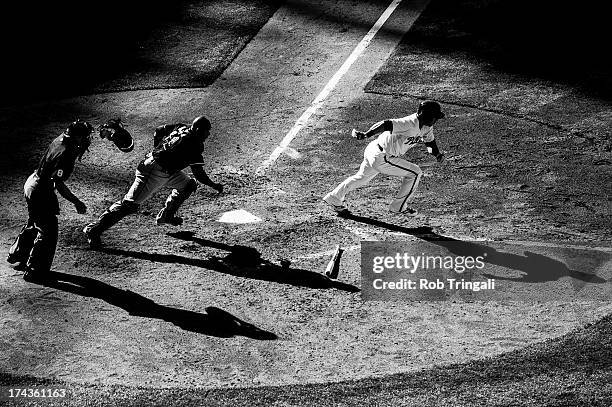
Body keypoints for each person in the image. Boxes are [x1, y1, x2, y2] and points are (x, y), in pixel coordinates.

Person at [83, 116, 223, 247]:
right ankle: (93, 230)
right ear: (199, 130)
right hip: (152, 172)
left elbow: (159, 130)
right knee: (129, 205)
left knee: (188, 185)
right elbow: (199, 173)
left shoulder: (182, 127)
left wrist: (158, 150)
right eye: (207, 131)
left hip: (166, 169)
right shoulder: (193, 144)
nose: (208, 135)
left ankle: (167, 215)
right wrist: (214, 185)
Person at [322, 100, 446, 216]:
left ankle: (334, 197)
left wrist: (437, 154)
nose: (436, 120)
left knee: (361, 178)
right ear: (428, 116)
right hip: (382, 157)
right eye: (435, 117)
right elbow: (386, 124)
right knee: (415, 173)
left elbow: (430, 143)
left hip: (375, 152)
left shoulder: (427, 127)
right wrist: (367, 134)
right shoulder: (409, 123)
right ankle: (399, 207)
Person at [7, 120, 93, 282]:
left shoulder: (62, 138)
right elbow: (58, 184)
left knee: (35, 222)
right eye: (85, 136)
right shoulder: (66, 153)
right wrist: (76, 202)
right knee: (48, 231)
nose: (87, 139)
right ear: (78, 137)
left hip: (32, 182)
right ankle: (35, 271)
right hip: (41, 190)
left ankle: (17, 255)